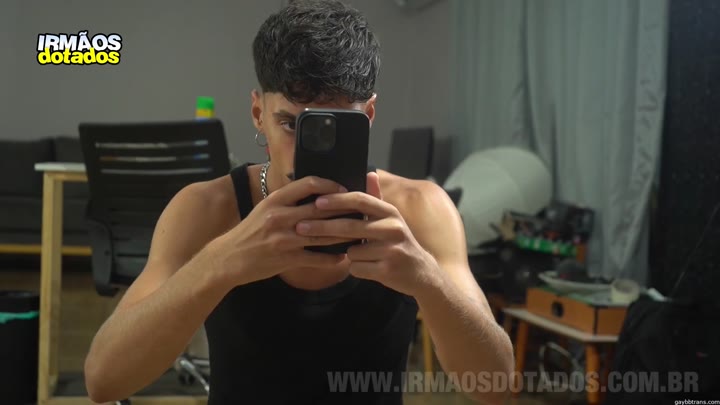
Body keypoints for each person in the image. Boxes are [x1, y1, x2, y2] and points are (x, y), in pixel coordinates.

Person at [84, 1, 513, 404]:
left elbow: (495, 385)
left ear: (368, 116)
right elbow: (104, 380)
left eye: (336, 125)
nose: (303, 157)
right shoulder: (209, 209)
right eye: (290, 124)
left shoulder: (419, 209)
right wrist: (218, 264)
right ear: (258, 114)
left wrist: (427, 280)